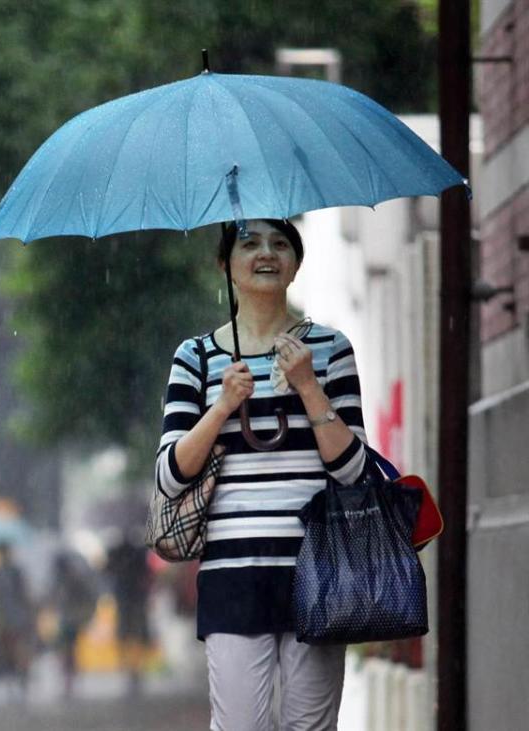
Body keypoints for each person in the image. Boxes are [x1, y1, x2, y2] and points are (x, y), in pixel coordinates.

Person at [155, 219, 367, 731]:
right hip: (233, 575)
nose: (265, 254)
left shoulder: (330, 349)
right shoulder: (197, 358)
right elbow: (169, 475)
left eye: (280, 243)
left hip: (318, 570)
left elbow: (355, 470)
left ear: (296, 264)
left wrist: (309, 388)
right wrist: (222, 405)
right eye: (248, 243)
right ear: (225, 264)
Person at [106, 534, 152, 695]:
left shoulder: (117, 554)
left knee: (128, 634)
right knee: (134, 634)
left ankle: (131, 668)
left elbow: (108, 571)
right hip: (133, 600)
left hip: (127, 600)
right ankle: (133, 668)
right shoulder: (138, 553)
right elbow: (147, 574)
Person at [0, 542, 33, 702]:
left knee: (19, 654)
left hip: (16, 620)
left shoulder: (15, 573)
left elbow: (24, 596)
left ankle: (21, 685)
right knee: (6, 655)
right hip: (5, 621)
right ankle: (11, 686)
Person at [52, 552, 98, 698]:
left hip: (72, 620)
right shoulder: (61, 581)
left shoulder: (74, 581)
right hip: (67, 620)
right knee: (67, 650)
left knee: (68, 650)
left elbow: (88, 598)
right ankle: (69, 678)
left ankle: (70, 679)